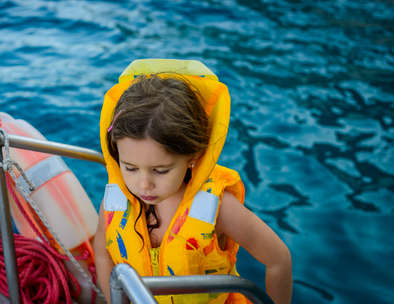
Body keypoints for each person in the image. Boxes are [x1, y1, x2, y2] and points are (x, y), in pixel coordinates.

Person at [94, 62, 292, 304]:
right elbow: (103, 253)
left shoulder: (217, 208)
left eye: (160, 170)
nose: (143, 184)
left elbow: (278, 259)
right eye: (130, 168)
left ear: (193, 157)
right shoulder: (115, 202)